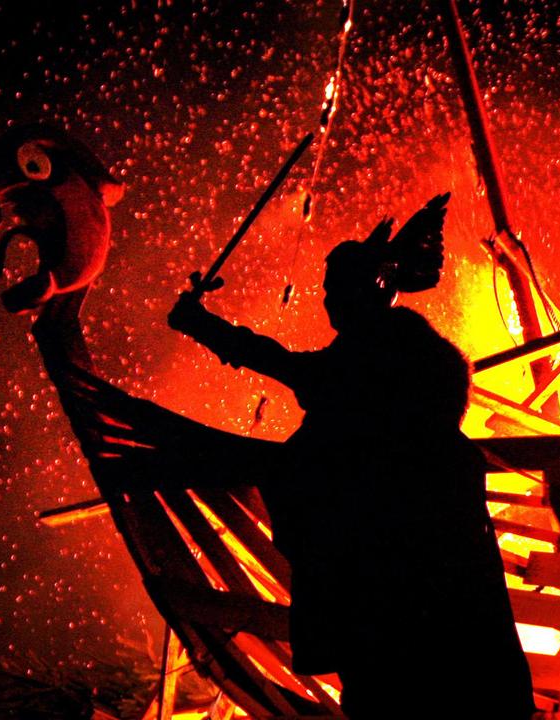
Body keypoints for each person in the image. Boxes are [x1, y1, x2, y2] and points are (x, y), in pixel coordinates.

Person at [167, 194, 536, 719]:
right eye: (325, 290)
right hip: (440, 579)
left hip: (389, 579)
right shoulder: (409, 360)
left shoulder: (371, 364)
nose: (326, 301)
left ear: (368, 291)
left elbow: (281, 365)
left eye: (333, 290)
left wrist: (198, 323)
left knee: (393, 692)